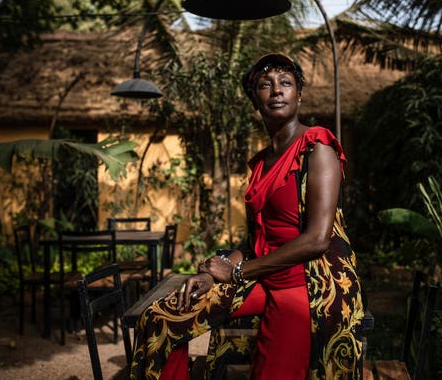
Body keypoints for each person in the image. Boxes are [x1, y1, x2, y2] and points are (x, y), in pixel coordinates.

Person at [130, 53, 364, 380]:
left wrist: (237, 271)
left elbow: (317, 240)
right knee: (163, 318)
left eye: (286, 83)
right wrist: (213, 274)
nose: (276, 91)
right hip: (259, 276)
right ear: (255, 99)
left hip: (303, 285)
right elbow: (256, 239)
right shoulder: (260, 163)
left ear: (299, 94)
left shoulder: (317, 146)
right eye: (265, 85)